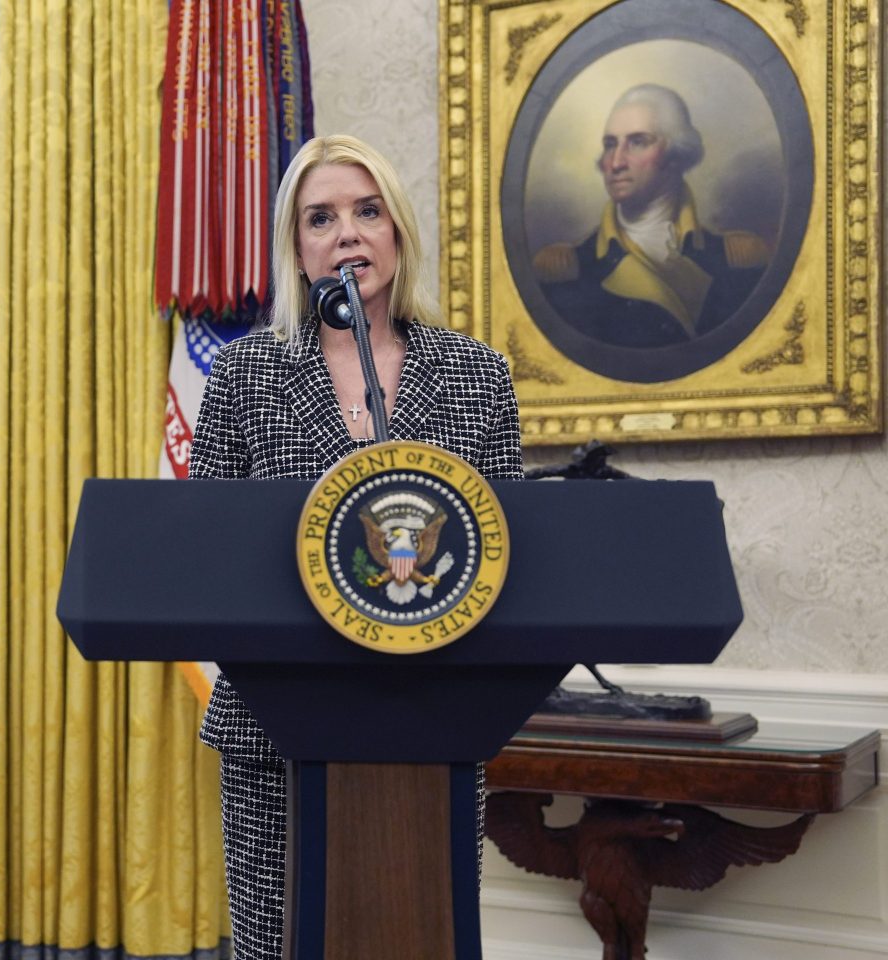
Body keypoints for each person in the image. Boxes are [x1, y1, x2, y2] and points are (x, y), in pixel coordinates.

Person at [188, 134, 522, 960]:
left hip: (436, 723)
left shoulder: (478, 374)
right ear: (296, 251)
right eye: (320, 218)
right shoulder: (246, 376)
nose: (347, 234)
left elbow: (514, 549)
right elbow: (201, 554)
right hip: (280, 731)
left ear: (397, 233)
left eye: (368, 212)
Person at [533, 83, 770, 348]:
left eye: (637, 142)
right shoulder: (566, 270)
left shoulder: (737, 259)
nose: (615, 162)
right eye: (610, 144)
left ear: (676, 155)